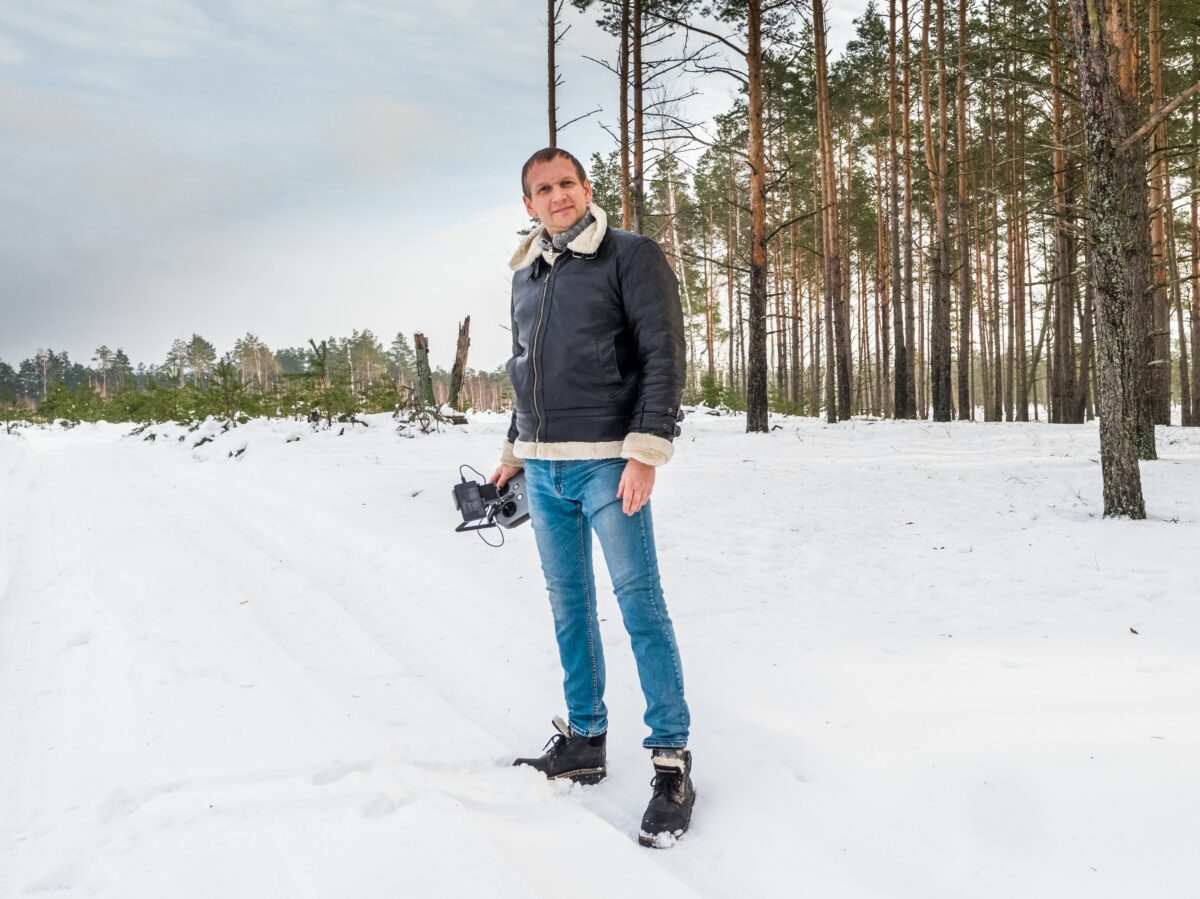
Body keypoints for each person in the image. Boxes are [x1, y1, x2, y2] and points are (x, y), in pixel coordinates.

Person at [489, 147, 695, 847]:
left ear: (586, 187)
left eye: (566, 183)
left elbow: (664, 352)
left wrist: (646, 451)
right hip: (544, 470)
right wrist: (513, 454)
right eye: (542, 189)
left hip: (610, 462)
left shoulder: (629, 255)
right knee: (568, 606)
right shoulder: (527, 273)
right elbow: (526, 370)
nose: (557, 197)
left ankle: (671, 763)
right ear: (529, 203)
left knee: (641, 606)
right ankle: (585, 738)